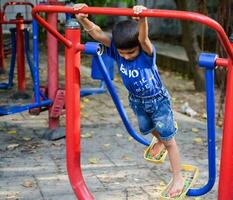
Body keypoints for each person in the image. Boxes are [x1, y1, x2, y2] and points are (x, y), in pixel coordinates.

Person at [73, 4, 184, 197]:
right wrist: (82, 18)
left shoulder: (147, 53)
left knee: (170, 141)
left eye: (130, 53)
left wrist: (142, 18)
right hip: (136, 100)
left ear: (139, 48)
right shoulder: (118, 50)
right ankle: (158, 139)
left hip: (157, 101)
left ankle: (178, 177)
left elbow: (143, 38)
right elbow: (98, 34)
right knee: (146, 128)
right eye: (122, 53)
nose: (126, 57)